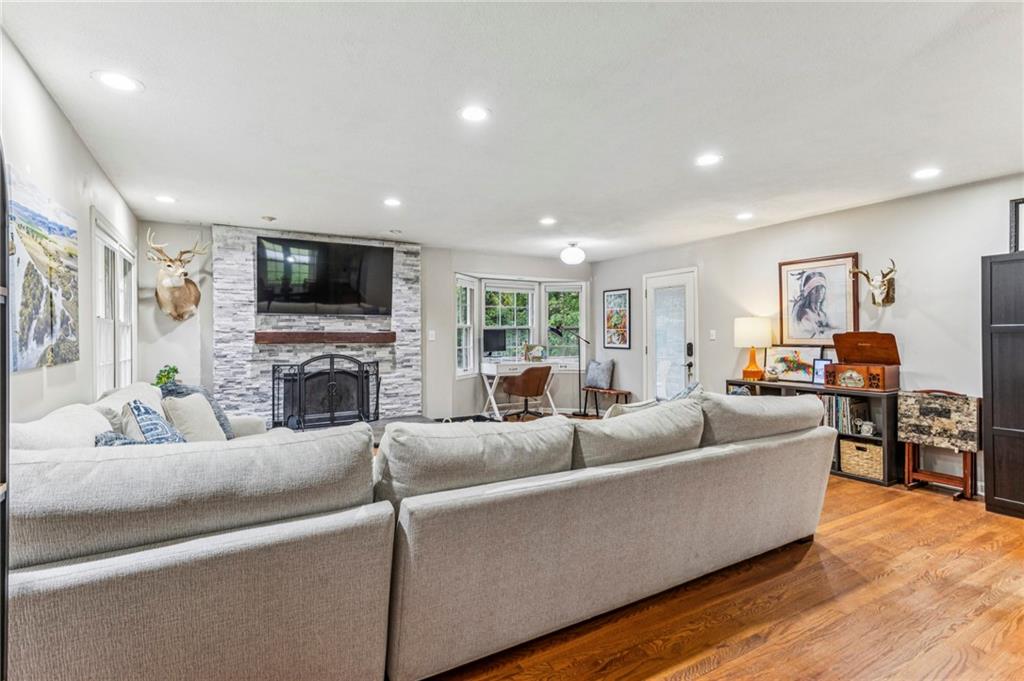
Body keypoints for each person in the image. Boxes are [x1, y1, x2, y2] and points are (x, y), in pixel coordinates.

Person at [791, 270, 834, 338]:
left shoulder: (822, 314)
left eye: (822, 289)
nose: (820, 293)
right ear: (809, 292)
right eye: (816, 290)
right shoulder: (806, 314)